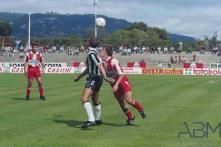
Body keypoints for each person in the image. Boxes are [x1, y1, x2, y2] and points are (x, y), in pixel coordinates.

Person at [100, 45, 147, 125]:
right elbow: (105, 76)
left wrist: (116, 84)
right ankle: (130, 117)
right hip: (115, 84)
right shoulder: (102, 63)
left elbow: (121, 74)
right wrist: (109, 80)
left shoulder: (113, 61)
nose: (100, 51)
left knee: (128, 100)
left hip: (122, 81)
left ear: (106, 52)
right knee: (121, 102)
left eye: (102, 50)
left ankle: (141, 109)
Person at [74, 37, 109, 129]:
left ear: (89, 43)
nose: (86, 43)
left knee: (84, 98)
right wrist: (79, 76)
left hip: (94, 78)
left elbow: (100, 66)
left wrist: (105, 76)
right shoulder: (95, 53)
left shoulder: (91, 54)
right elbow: (89, 68)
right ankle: (98, 119)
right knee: (95, 100)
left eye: (87, 41)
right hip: (98, 78)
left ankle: (91, 119)